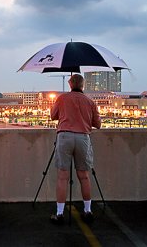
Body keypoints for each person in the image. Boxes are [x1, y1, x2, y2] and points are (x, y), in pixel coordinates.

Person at [49, 74, 101, 225]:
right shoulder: (90, 101)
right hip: (83, 138)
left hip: (64, 136)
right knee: (84, 176)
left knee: (62, 177)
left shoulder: (62, 98)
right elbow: (97, 124)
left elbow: (53, 116)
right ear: (83, 85)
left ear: (70, 84)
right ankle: (87, 210)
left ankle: (59, 213)